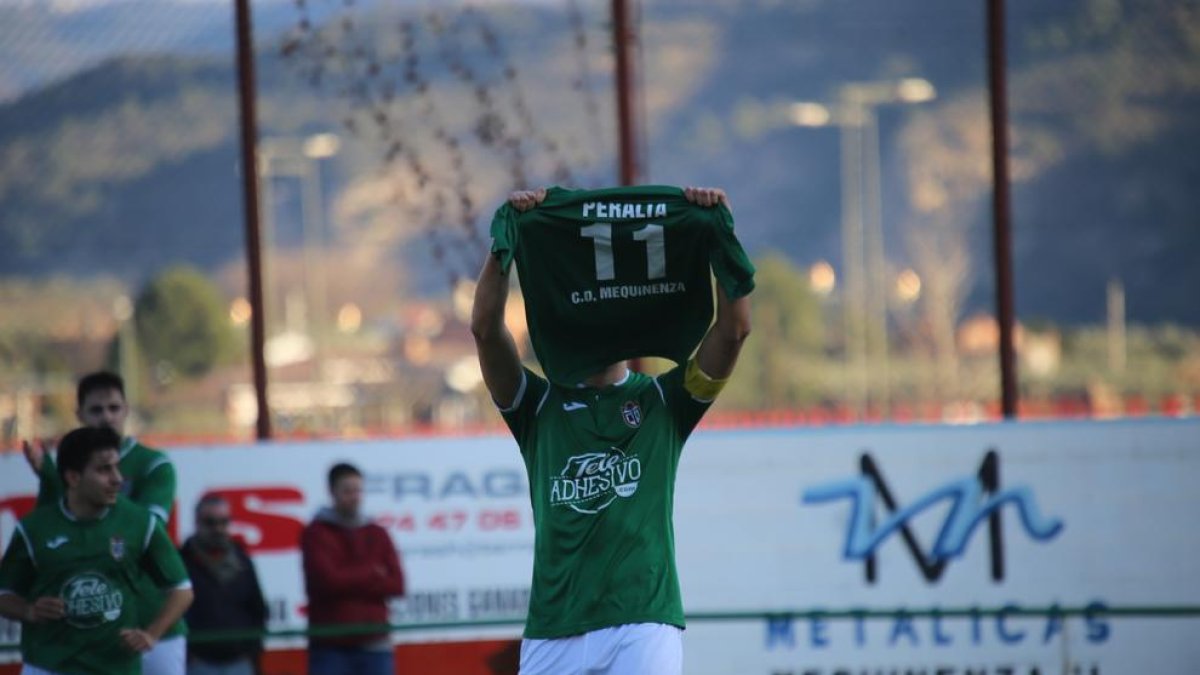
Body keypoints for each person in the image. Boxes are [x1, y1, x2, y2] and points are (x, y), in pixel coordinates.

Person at [471, 186, 753, 674]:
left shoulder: (666, 401)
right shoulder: (536, 407)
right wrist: (506, 245)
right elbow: (484, 329)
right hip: (553, 627)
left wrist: (718, 236)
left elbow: (733, 331)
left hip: (642, 621)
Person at [21, 370, 187, 675]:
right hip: (91, 632)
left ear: (126, 409)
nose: (106, 417)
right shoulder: (64, 470)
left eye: (114, 408)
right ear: (79, 414)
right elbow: (49, 530)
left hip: (152, 617)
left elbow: (140, 531)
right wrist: (48, 476)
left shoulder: (154, 464)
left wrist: (63, 480)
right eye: (96, 410)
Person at [300, 463, 405, 675]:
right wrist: (372, 573)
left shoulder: (377, 534)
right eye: (347, 491)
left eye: (358, 490)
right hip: (330, 646)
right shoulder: (316, 534)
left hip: (375, 644)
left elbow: (397, 584)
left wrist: (345, 577)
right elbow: (327, 582)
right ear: (332, 492)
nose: (355, 496)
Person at [180, 494, 268, 675]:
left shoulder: (242, 561)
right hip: (198, 663)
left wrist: (252, 652)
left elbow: (258, 609)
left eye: (224, 522)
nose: (218, 528)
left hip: (240, 662)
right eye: (210, 522)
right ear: (197, 523)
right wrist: (188, 655)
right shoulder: (181, 562)